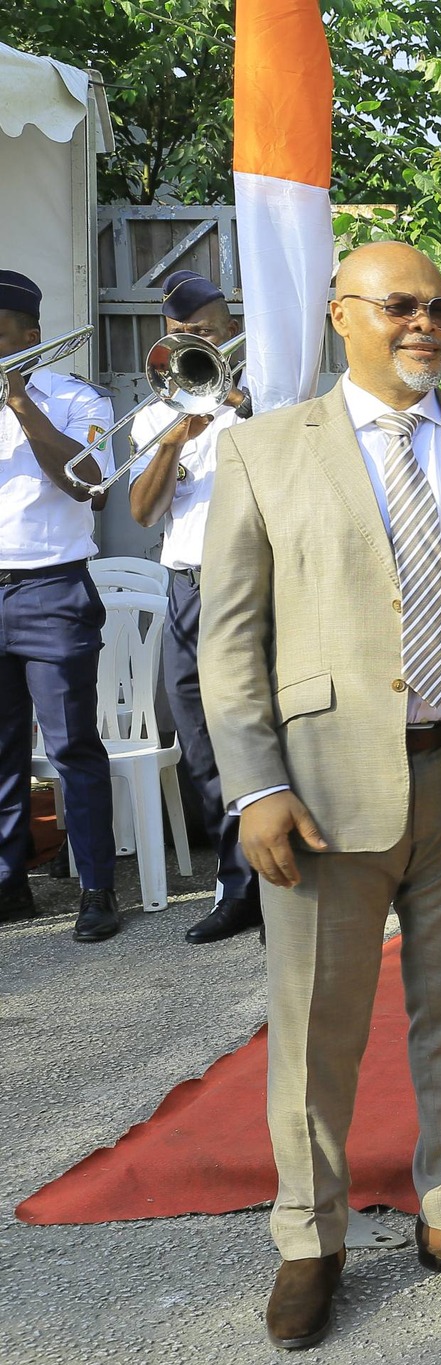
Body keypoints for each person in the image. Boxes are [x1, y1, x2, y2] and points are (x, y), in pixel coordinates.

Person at [199, 242, 441, 1351]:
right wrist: (256, 786)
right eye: (402, 305)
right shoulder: (264, 452)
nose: (427, 323)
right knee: (317, 1027)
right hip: (319, 792)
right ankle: (307, 1238)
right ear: (341, 316)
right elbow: (229, 643)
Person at [127, 270, 261, 944]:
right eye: (180, 335)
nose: (191, 345)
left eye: (203, 333)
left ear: (229, 331)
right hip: (184, 583)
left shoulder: (261, 400)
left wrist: (238, 407)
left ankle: (255, 882)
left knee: (254, 730)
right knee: (200, 744)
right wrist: (178, 433)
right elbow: (144, 509)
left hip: (247, 582)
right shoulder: (157, 414)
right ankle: (239, 881)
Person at [0, 268, 121, 942]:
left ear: (30, 336)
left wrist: (22, 406)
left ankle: (96, 886)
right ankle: (7, 883)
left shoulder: (78, 399)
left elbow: (89, 482)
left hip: (51, 589)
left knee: (73, 744)